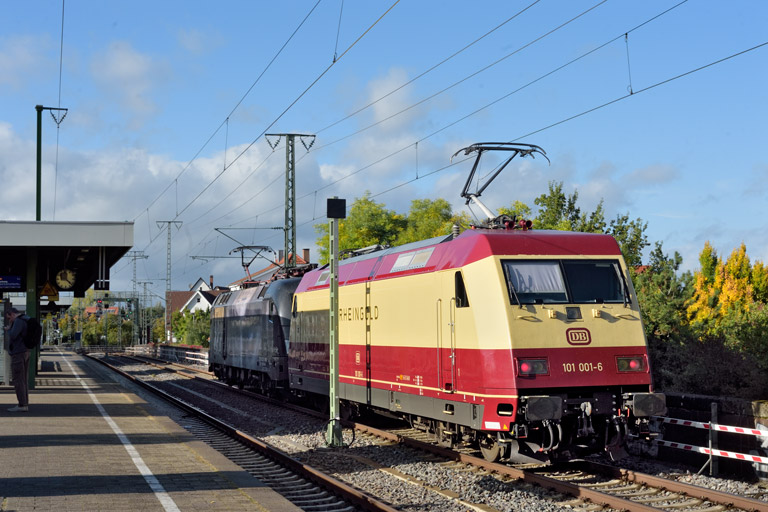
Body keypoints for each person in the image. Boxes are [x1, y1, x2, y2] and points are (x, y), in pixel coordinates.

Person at [4, 308, 29, 412]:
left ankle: (22, 405)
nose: (9, 320)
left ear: (13, 314)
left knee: (18, 380)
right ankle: (24, 403)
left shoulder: (18, 321)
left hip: (18, 354)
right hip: (24, 352)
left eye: (9, 318)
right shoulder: (25, 319)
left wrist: (9, 329)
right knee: (23, 380)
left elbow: (13, 335)